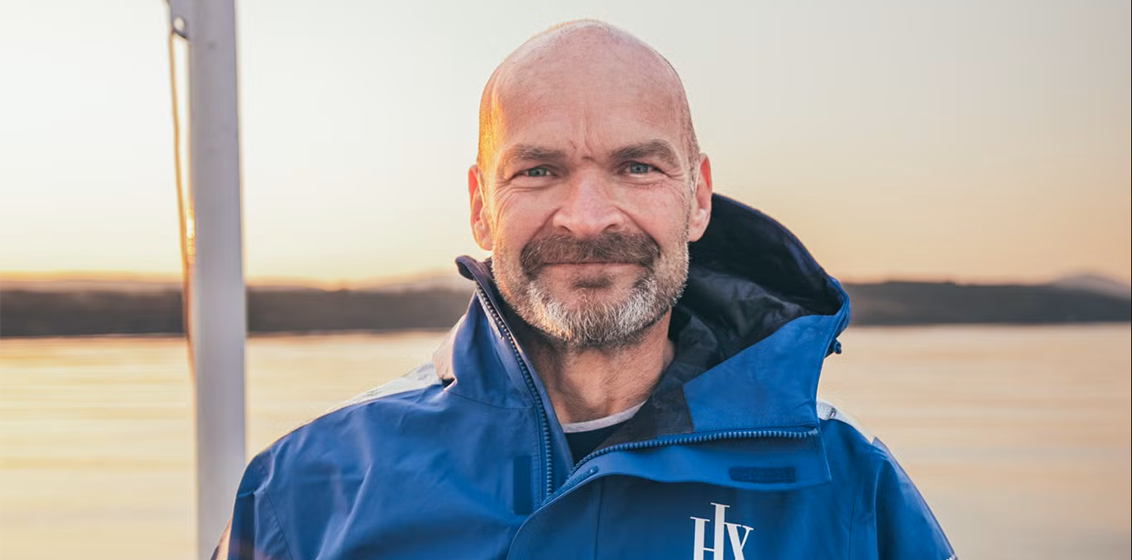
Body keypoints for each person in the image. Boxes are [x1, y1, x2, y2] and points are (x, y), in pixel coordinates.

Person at [216, 20, 954, 560]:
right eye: (538, 170)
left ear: (697, 197)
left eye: (637, 167)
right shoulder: (308, 489)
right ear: (481, 205)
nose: (589, 217)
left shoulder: (846, 487)